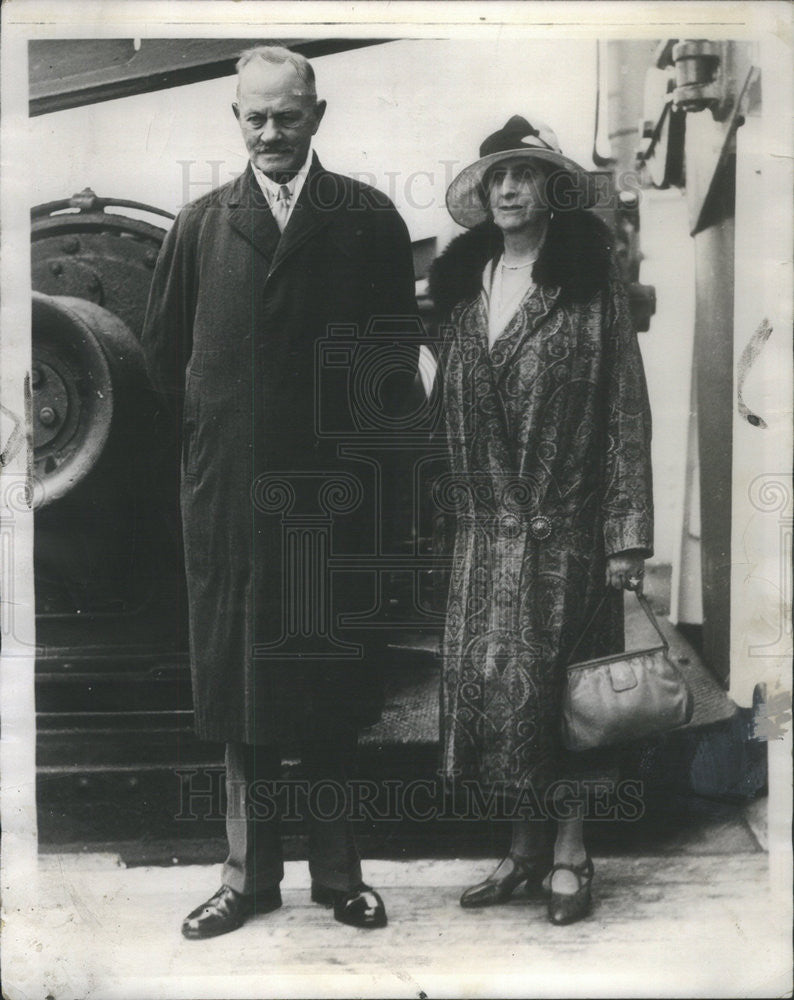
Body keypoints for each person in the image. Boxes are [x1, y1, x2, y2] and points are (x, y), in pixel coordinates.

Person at [141, 46, 419, 938]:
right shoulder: (198, 226)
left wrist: (376, 492)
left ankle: (341, 877)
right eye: (254, 116)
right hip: (229, 507)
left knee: (330, 688)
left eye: (286, 116)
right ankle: (248, 877)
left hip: (332, 505)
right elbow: (162, 362)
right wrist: (206, 467)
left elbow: (390, 373)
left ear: (317, 115)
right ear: (235, 118)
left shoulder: (367, 220)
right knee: (244, 697)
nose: (270, 132)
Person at [423, 115, 653, 924]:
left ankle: (571, 855)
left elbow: (625, 411)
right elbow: (442, 412)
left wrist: (626, 538)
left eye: (525, 174)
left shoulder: (591, 291)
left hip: (568, 533)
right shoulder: (459, 292)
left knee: (569, 700)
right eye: (497, 178)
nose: (511, 189)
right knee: (500, 699)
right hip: (485, 534)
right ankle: (521, 851)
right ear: (484, 195)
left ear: (555, 189)